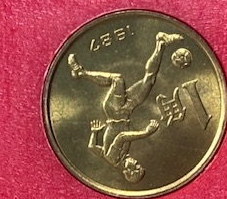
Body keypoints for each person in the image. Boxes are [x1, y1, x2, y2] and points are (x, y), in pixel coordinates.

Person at [67, 30, 183, 182]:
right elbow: (92, 148)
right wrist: (94, 134)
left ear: (128, 171)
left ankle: (80, 73)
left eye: (136, 166)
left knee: (118, 80)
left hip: (114, 111)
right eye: (139, 165)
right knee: (149, 80)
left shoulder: (113, 159)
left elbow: (121, 137)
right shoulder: (118, 157)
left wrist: (146, 133)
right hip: (126, 111)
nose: (136, 162)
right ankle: (161, 43)